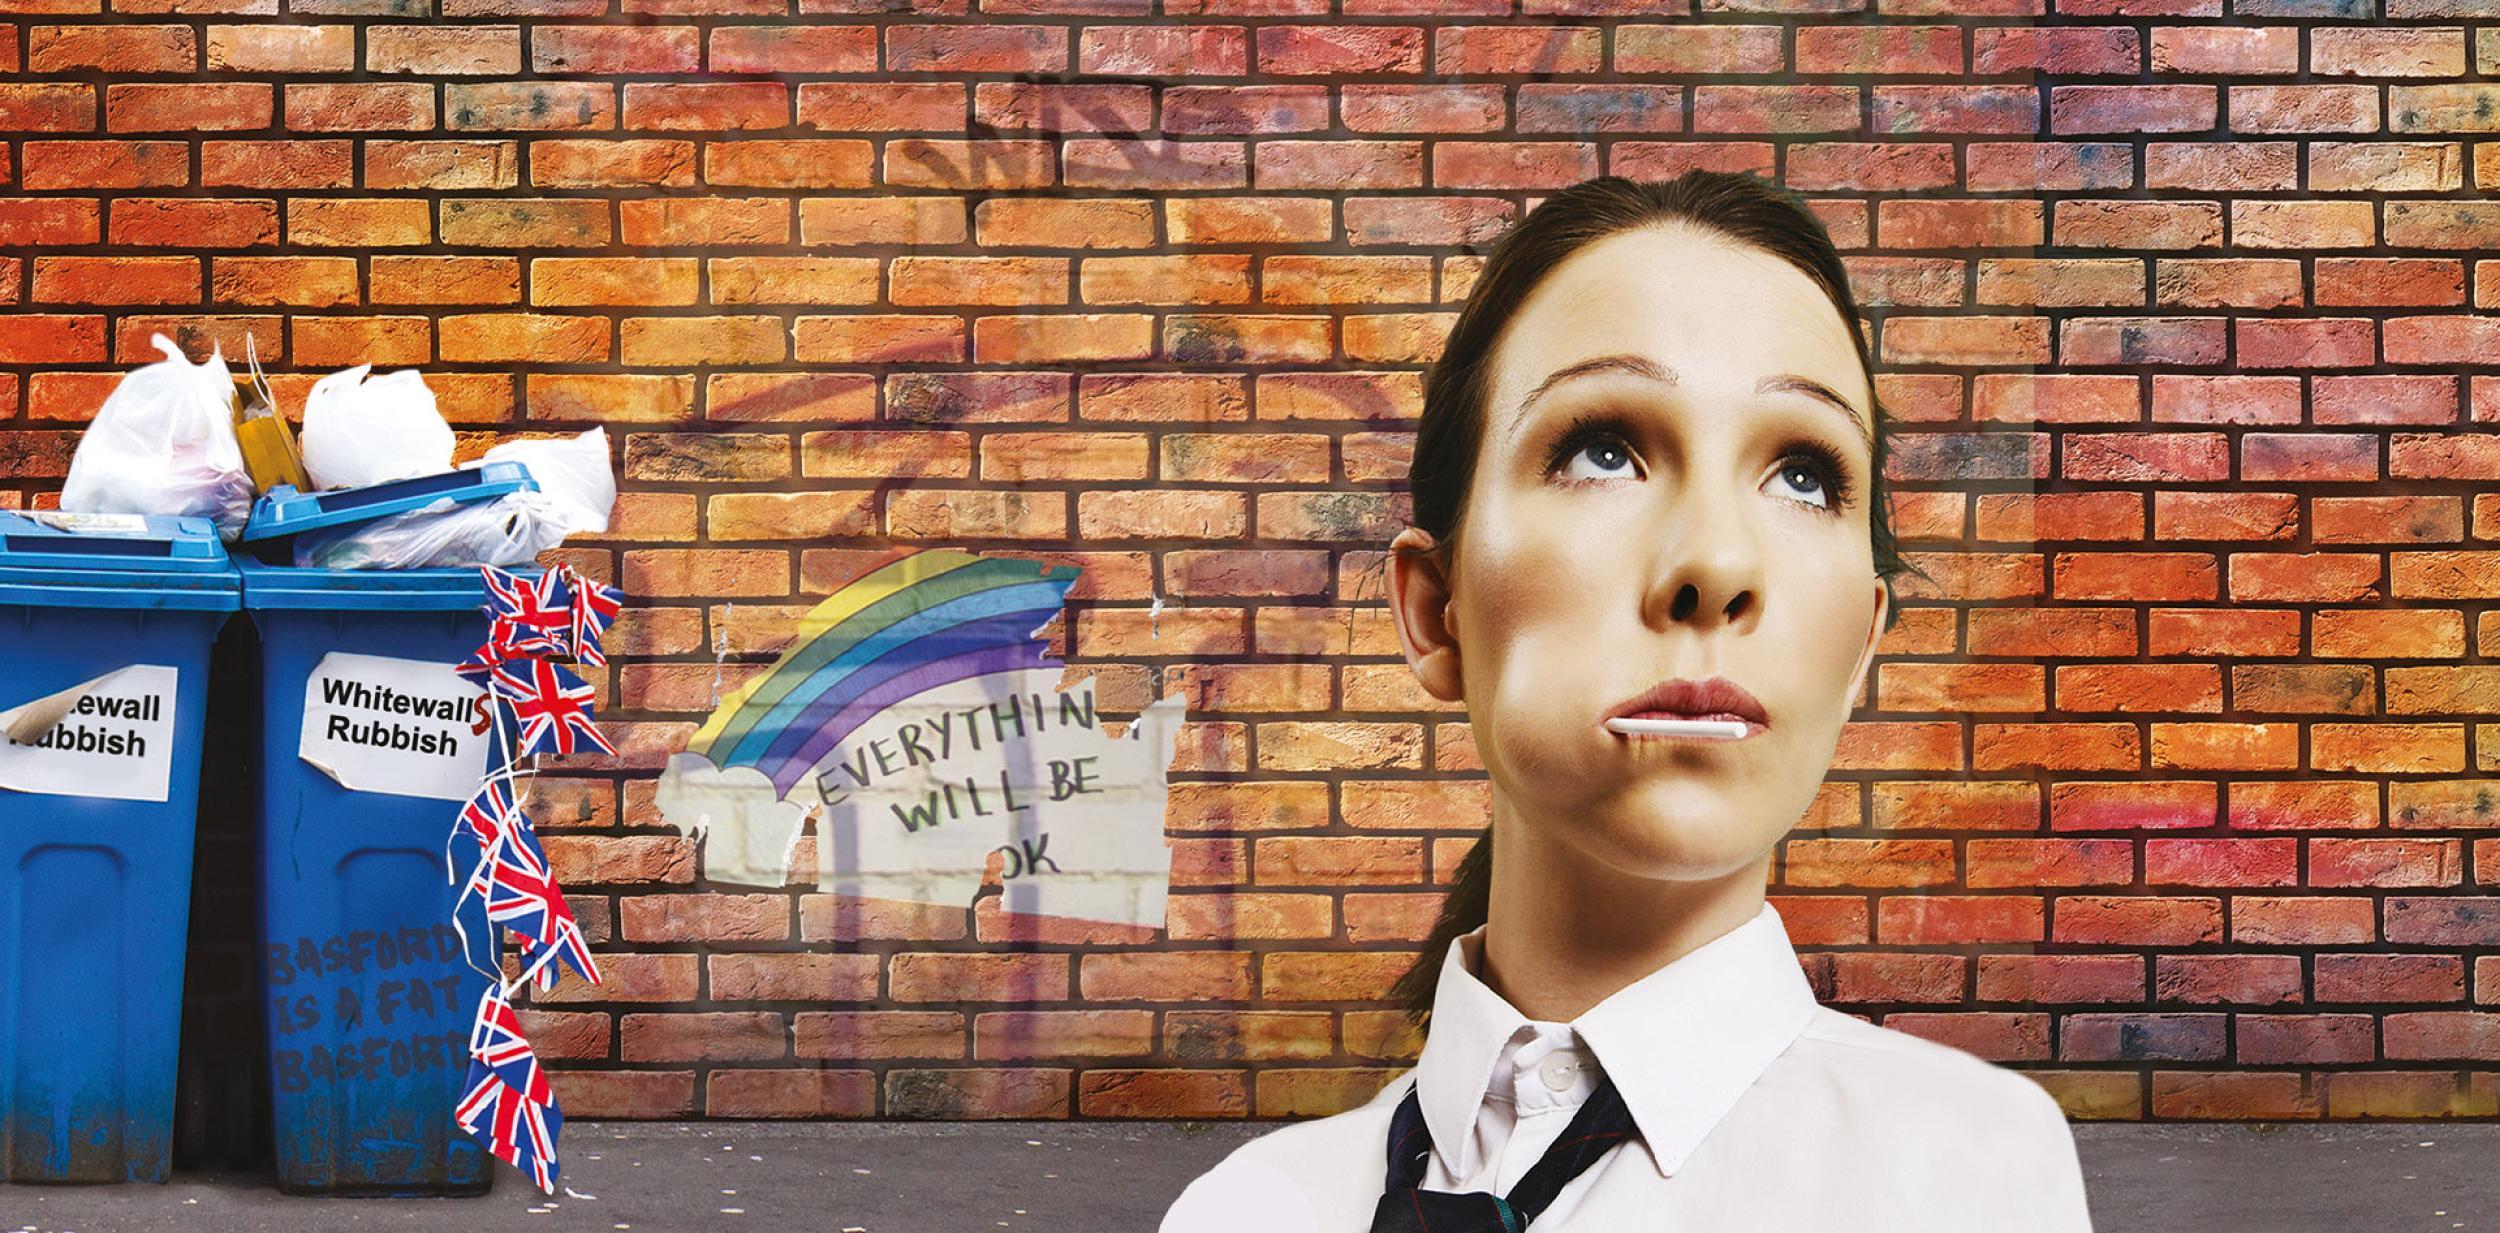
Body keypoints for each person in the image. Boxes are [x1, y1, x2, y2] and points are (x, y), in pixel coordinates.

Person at [1160, 171, 2095, 1232]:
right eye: (1602, 450)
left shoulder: (1965, 1173)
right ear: (1436, 608)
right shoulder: (1247, 1210)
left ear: (1860, 647)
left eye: (1800, 474)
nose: (1711, 562)